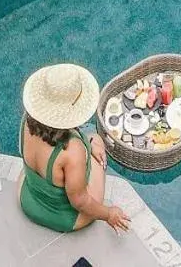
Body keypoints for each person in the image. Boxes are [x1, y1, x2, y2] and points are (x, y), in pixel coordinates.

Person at [19, 63, 131, 234]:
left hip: (27, 199)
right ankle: (92, 146)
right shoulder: (72, 151)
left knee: (88, 141)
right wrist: (109, 214)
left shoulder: (27, 121)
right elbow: (79, 202)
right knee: (97, 142)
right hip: (64, 218)